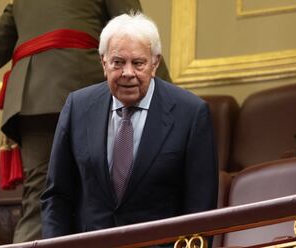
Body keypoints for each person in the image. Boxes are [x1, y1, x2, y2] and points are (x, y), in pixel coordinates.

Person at [0, 0, 171, 243]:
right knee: (101, 195)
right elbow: (136, 34)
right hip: (85, 90)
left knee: (40, 199)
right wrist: (170, 103)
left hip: (33, 99)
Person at [41, 12, 218, 243]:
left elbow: (201, 211)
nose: (128, 73)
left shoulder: (191, 113)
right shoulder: (78, 107)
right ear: (103, 62)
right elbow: (57, 196)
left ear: (155, 63)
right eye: (118, 62)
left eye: (138, 63)